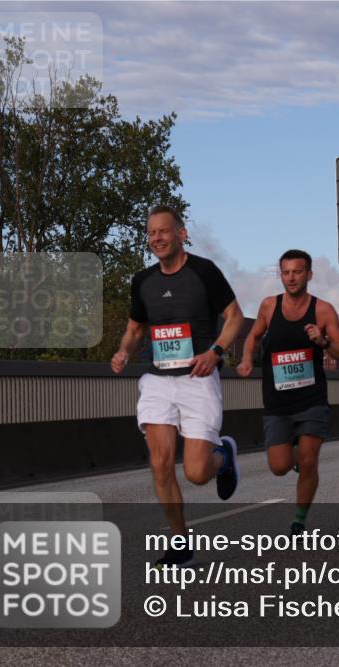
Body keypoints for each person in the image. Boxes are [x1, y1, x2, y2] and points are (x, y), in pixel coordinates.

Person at [111, 205, 244, 568]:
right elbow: (136, 330)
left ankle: (225, 455)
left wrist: (216, 352)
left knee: (197, 472)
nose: (156, 238)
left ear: (181, 234)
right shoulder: (143, 281)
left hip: (198, 379)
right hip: (157, 380)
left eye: (163, 231)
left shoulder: (205, 272)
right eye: (151, 233)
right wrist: (124, 351)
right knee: (160, 463)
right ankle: (180, 542)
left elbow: (234, 317)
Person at [236, 249, 339, 536]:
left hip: (311, 399)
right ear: (280, 275)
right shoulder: (268, 306)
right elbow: (253, 335)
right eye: (286, 272)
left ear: (309, 275)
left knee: (310, 459)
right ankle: (299, 465)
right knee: (279, 466)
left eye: (297, 272)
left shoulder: (323, 310)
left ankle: (299, 521)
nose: (291, 278)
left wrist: (323, 341)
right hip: (277, 402)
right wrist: (247, 358)